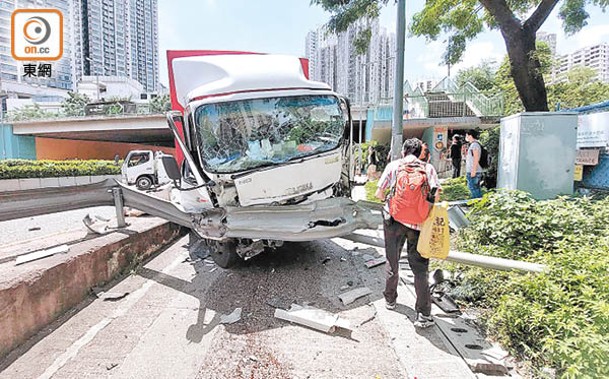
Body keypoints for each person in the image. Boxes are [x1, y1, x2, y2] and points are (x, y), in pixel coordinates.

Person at [375, 138, 441, 329]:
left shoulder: (394, 166)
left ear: (404, 151)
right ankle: (423, 314)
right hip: (419, 224)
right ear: (420, 152)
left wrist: (390, 198)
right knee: (420, 268)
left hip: (394, 221)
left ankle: (390, 299)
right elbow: (435, 196)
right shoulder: (428, 169)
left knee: (392, 259)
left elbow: (379, 193)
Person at [465, 129, 483, 198]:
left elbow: (476, 158)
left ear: (470, 136)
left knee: (474, 189)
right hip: (473, 171)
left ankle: (477, 204)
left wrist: (473, 170)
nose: (466, 137)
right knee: (475, 188)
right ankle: (478, 204)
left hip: (474, 171)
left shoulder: (474, 145)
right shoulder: (473, 145)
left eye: (466, 135)